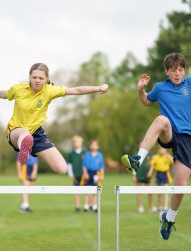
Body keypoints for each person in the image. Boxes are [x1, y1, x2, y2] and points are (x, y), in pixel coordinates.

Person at [0, 63, 108, 174]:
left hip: (36, 133)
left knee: (62, 169)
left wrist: (98, 88)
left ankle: (28, 147)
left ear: (47, 79)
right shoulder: (18, 89)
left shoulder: (50, 90)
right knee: (25, 135)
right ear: (29, 77)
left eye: (41, 78)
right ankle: (24, 149)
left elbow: (76, 90)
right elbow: (4, 94)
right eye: (34, 77)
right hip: (16, 130)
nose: (37, 80)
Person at [121, 52, 191, 240]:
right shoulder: (160, 88)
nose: (178, 73)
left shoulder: (189, 84)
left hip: (187, 139)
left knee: (181, 185)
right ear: (167, 71)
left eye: (181, 70)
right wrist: (140, 90)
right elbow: (145, 102)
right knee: (161, 119)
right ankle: (138, 160)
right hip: (169, 133)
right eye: (174, 70)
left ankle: (168, 218)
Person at [147, 147, 173, 212]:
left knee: (166, 191)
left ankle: (166, 206)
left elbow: (173, 161)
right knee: (159, 191)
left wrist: (167, 154)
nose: (160, 150)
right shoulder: (156, 157)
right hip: (158, 174)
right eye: (159, 149)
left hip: (165, 174)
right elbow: (152, 166)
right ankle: (160, 206)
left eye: (162, 149)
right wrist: (149, 173)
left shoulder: (167, 157)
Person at [82, 140, 104, 212]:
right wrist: (85, 173)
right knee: (87, 190)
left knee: (96, 190)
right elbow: (84, 165)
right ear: (90, 146)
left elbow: (101, 166)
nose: (94, 146)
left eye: (95, 145)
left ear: (98, 146)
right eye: (92, 145)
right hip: (88, 173)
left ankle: (95, 206)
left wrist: (102, 175)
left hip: (96, 173)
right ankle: (86, 206)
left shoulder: (100, 155)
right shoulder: (87, 154)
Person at [67, 135, 87, 212]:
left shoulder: (85, 152)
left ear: (81, 143)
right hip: (76, 175)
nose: (77, 143)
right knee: (76, 191)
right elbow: (70, 165)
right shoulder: (71, 154)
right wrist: (71, 174)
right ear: (73, 143)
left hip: (84, 175)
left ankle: (86, 206)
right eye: (75, 142)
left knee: (86, 191)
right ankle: (77, 207)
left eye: (79, 142)